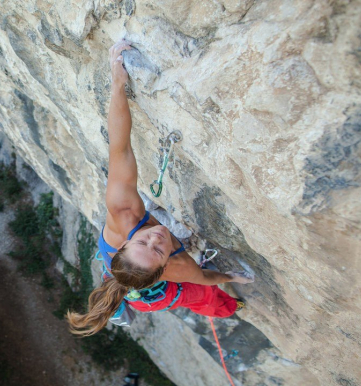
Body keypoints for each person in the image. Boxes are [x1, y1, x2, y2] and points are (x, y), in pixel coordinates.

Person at [66, 40, 254, 336]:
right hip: (151, 290)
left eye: (142, 242)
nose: (156, 237)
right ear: (164, 269)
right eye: (157, 250)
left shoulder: (122, 211)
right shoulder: (178, 269)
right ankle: (231, 309)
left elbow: (121, 146)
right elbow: (204, 278)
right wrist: (232, 277)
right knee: (199, 299)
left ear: (125, 244)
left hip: (129, 256)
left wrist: (117, 84)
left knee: (150, 220)